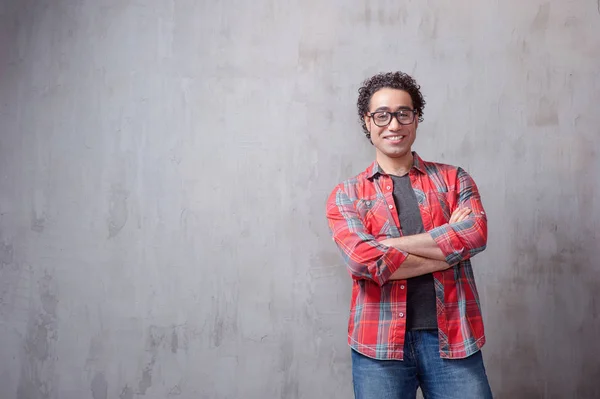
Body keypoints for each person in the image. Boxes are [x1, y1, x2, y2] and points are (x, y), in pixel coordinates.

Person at [325, 71, 493, 399]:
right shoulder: (347, 194)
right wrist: (448, 242)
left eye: (404, 113)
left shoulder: (454, 179)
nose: (394, 124)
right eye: (382, 115)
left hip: (454, 339)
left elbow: (475, 234)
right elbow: (362, 262)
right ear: (367, 121)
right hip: (378, 347)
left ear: (416, 119)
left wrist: (385, 248)